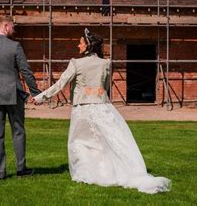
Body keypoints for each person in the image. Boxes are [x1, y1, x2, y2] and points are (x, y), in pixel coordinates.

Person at [34, 28, 171, 194]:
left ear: (88, 46)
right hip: (103, 107)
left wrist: (41, 97)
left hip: (83, 110)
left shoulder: (76, 63)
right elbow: (105, 87)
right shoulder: (106, 64)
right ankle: (107, 171)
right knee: (105, 143)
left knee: (80, 143)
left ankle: (88, 173)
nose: (78, 45)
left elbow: (60, 84)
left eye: (81, 43)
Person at [0, 15, 41, 180]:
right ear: (4, 26)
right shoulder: (15, 46)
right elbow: (26, 71)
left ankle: (0, 173)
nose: (14, 29)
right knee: (18, 132)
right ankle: (21, 169)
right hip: (13, 95)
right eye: (12, 26)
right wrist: (36, 93)